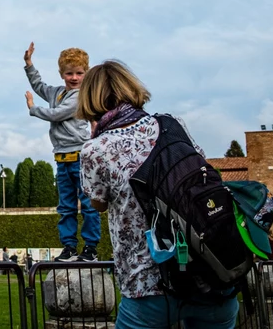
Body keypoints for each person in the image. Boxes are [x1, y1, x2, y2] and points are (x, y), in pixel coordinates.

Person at [78, 60, 239, 329]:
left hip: (147, 284)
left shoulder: (95, 149)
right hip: (209, 272)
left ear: (90, 101)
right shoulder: (172, 124)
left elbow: (99, 203)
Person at [25, 42, 100, 262]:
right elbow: (39, 86)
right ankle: (69, 246)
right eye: (70, 73)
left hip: (80, 156)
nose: (74, 78)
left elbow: (56, 114)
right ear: (62, 74)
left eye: (79, 73)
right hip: (61, 158)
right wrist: (29, 64)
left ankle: (91, 248)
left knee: (87, 204)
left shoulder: (78, 97)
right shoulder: (56, 93)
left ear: (86, 74)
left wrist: (32, 108)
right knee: (66, 206)